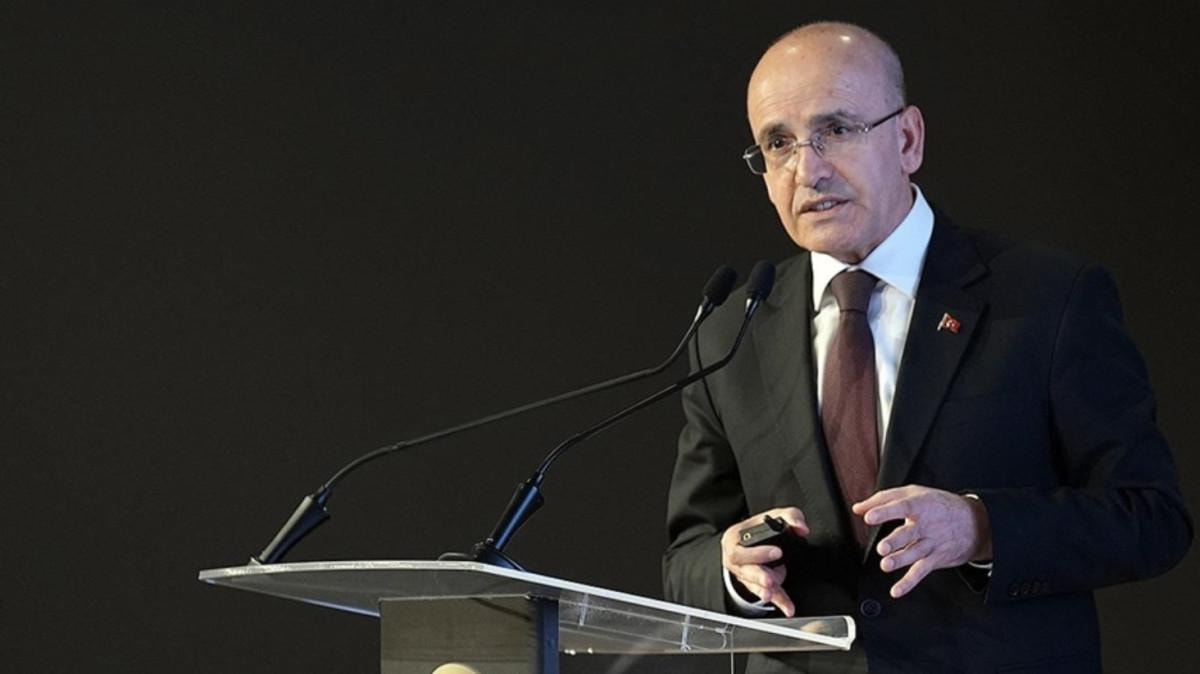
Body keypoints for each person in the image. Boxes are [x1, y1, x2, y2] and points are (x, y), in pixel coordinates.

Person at [662, 22, 1192, 674]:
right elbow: (686, 556)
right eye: (779, 143)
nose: (808, 169)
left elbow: (1151, 518)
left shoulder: (1048, 299)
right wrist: (732, 568)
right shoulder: (731, 331)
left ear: (908, 139)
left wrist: (981, 527)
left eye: (837, 129)